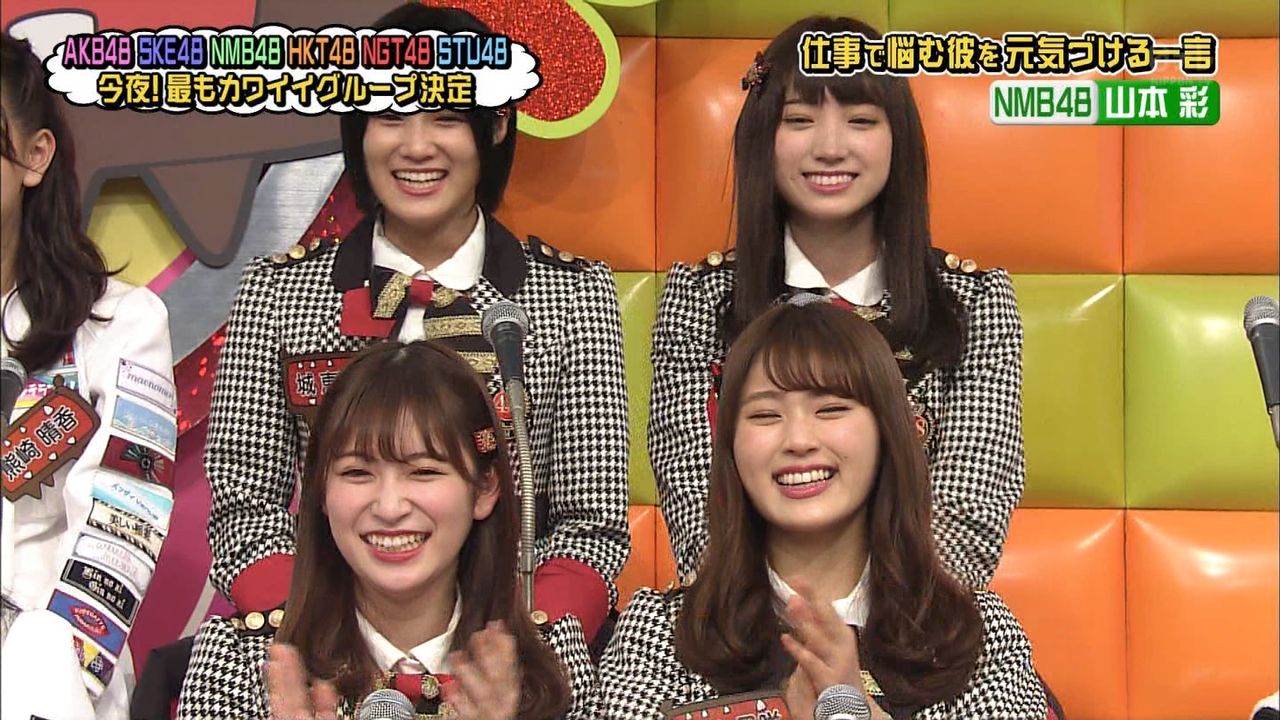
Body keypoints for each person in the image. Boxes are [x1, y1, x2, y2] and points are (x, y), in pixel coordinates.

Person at [204, 4, 630, 648]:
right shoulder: (278, 292)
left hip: (516, 647)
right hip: (324, 647)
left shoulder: (573, 295)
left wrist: (518, 649)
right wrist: (328, 639)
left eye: (447, 118)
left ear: (496, 124)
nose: (416, 146)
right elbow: (245, 508)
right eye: (390, 115)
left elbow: (589, 523)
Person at [649, 15, 1024, 590]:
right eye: (799, 120)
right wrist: (794, 615)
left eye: (861, 120)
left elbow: (968, 519)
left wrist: (859, 616)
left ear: (897, 138)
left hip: (918, 619)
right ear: (762, 138)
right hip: (745, 620)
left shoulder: (971, 301)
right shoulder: (700, 299)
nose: (829, 148)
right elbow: (699, 513)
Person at [602, 299, 1046, 719]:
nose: (798, 440)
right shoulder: (662, 633)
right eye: (765, 415)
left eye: (831, 409)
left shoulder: (973, 634)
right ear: (731, 447)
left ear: (888, 434)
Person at [179, 341, 597, 719]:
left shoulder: (548, 661)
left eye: (423, 471)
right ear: (320, 490)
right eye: (357, 473)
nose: (390, 507)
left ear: (484, 489)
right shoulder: (240, 663)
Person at [1, 30, 176, 720]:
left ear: (35, 155)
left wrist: (45, 675)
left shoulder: (121, 323)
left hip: (48, 682)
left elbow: (125, 519)